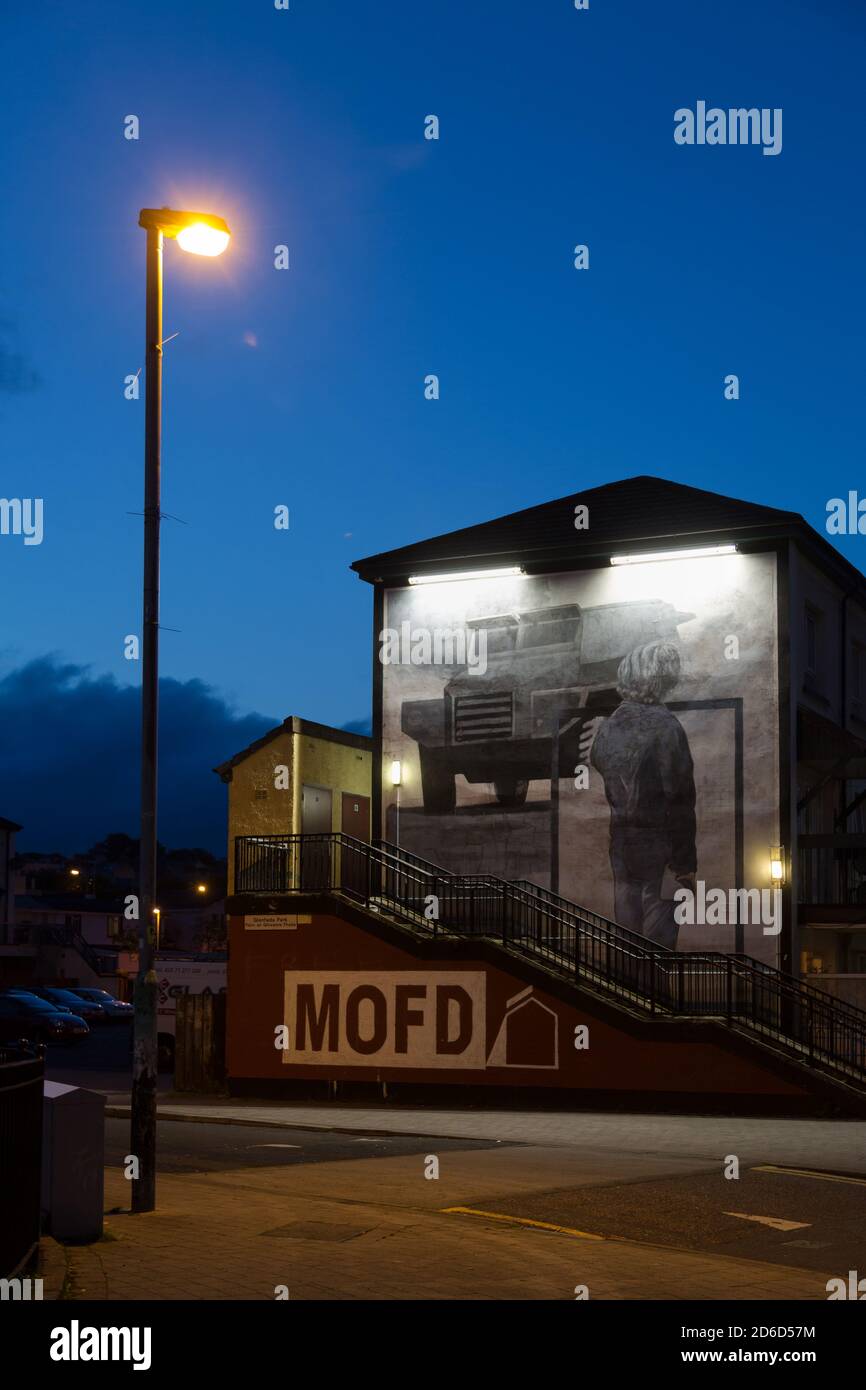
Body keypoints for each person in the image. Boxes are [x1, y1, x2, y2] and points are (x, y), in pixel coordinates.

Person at [581, 640, 696, 949]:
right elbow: (680, 799)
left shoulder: (608, 726)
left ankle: (627, 992)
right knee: (659, 937)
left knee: (627, 933)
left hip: (620, 840)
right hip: (661, 843)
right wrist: (685, 863)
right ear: (663, 680)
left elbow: (599, 761)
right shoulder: (667, 727)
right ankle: (652, 997)